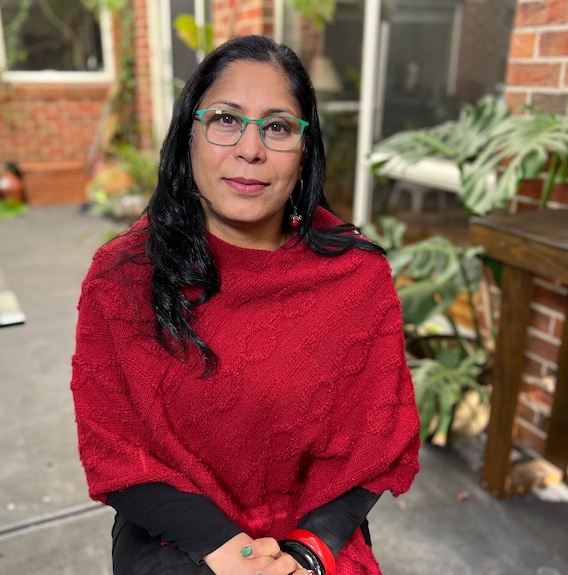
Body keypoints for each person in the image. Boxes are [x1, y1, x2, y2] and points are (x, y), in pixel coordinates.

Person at [71, 34, 420, 575]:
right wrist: (232, 552)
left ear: (305, 150)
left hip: (313, 536)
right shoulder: (124, 275)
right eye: (227, 120)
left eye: (278, 127)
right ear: (190, 134)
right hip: (177, 539)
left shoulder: (356, 277)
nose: (250, 149)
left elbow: (372, 448)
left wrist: (306, 553)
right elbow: (114, 447)